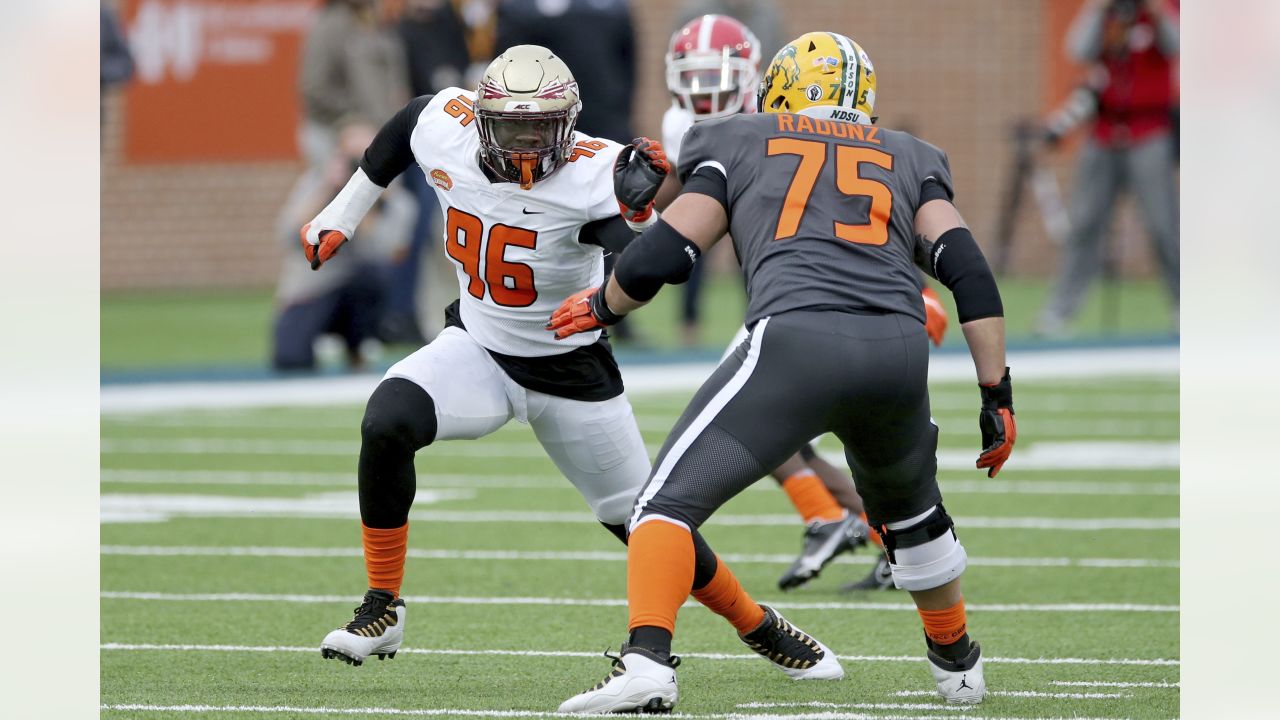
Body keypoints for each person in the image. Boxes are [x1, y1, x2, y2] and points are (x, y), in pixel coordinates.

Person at [300, 46, 842, 685]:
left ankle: (757, 623)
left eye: (541, 127)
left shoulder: (597, 172)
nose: (527, 143)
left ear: (570, 123)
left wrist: (642, 217)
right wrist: (343, 211)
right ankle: (383, 605)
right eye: (511, 126)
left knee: (645, 524)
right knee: (387, 418)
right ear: (479, 120)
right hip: (478, 344)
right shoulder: (443, 126)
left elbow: (661, 261)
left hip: (571, 370)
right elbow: (398, 131)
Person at [550, 31, 1017, 710]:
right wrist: (995, 392)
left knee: (661, 508)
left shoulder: (740, 137)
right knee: (913, 517)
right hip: (897, 350)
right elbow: (968, 272)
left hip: (796, 343)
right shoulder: (908, 154)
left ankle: (647, 662)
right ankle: (957, 664)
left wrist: (601, 304)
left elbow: (667, 256)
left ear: (782, 90)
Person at [656, 14, 949, 593]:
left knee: (769, 420)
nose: (705, 92)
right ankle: (860, 528)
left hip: (867, 294)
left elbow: (861, 210)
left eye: (719, 77)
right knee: (783, 433)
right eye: (693, 78)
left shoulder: (782, 121)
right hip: (794, 293)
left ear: (754, 77)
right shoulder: (682, 125)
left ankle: (840, 520)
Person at [1037, 0, 1179, 336]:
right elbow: (1077, 50)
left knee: (1163, 225)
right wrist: (1098, 8)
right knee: (1085, 223)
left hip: (1149, 133)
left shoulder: (1158, 13)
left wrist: (1157, 12)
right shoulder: (1107, 16)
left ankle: (1184, 305)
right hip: (1103, 133)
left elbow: (1176, 45)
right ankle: (1060, 311)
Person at [273, 123, 414, 370]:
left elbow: (386, 255)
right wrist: (328, 189)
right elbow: (287, 235)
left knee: (374, 275)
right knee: (290, 358)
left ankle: (359, 343)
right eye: (352, 158)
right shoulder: (316, 183)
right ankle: (317, 336)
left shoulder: (395, 198)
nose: (356, 166)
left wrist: (365, 198)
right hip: (315, 287)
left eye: (366, 156)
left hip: (360, 289)